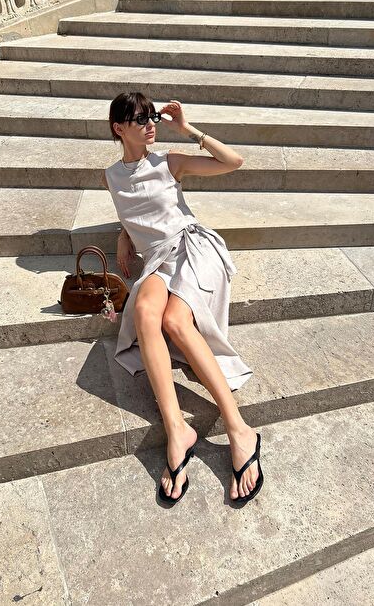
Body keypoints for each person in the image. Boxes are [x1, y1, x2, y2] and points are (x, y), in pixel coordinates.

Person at [101, 92, 263, 507]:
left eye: (151, 117)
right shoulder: (112, 176)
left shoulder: (168, 162)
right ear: (119, 128)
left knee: (174, 321)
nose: (149, 125)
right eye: (140, 119)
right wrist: (123, 235)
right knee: (144, 311)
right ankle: (177, 429)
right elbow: (131, 209)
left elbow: (233, 162)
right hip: (157, 258)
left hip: (192, 248)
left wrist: (187, 129)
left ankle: (238, 428)